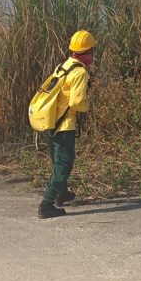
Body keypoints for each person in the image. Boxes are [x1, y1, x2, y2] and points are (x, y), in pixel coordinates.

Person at [38, 30, 96, 219]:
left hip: (50, 122)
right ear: (87, 52)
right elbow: (77, 103)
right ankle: (46, 205)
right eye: (92, 51)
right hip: (64, 126)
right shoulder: (79, 72)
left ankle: (61, 194)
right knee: (64, 164)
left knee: (57, 161)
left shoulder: (64, 66)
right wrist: (88, 108)